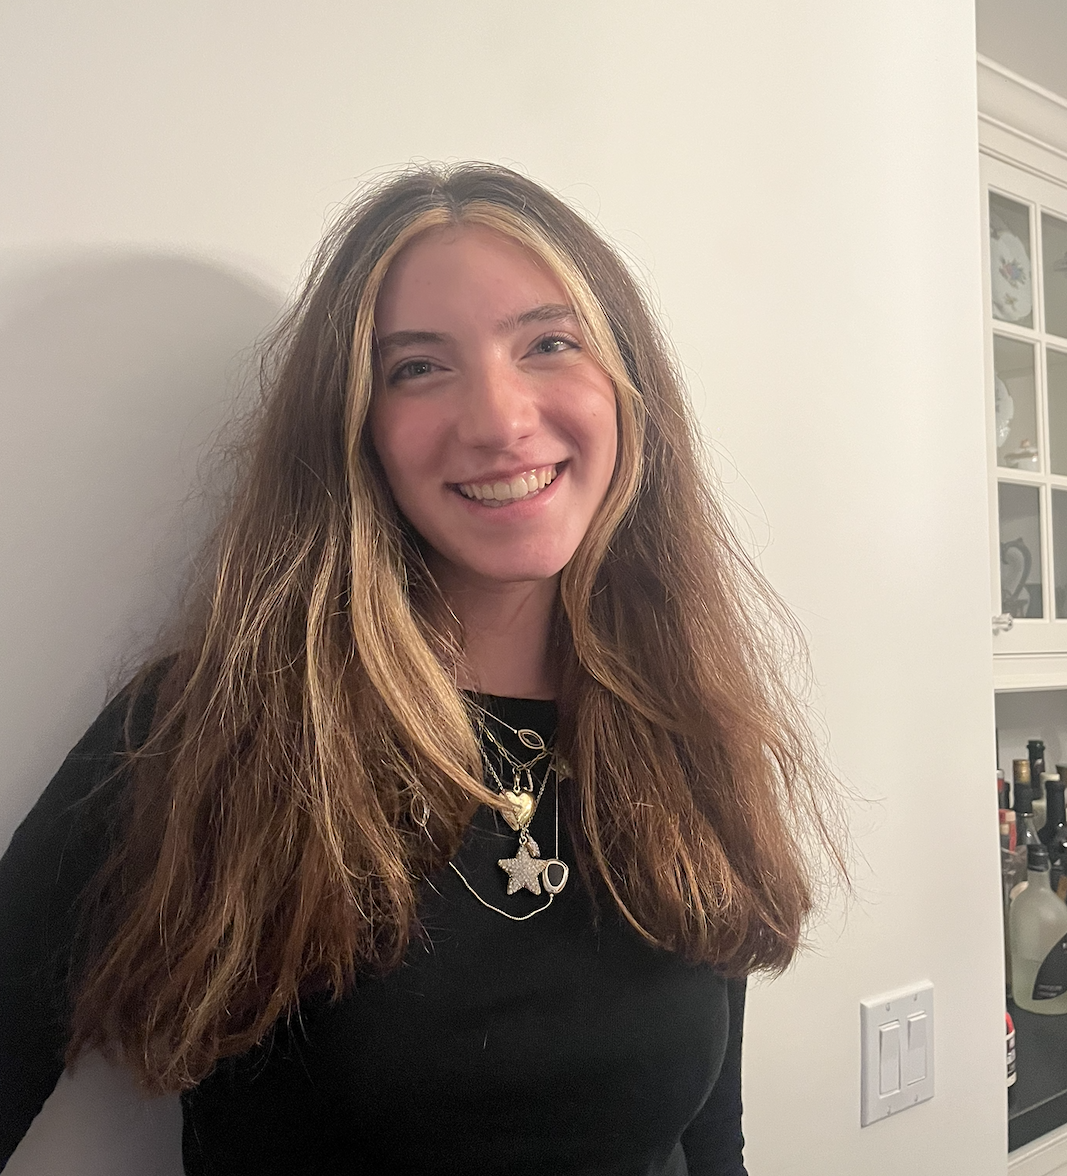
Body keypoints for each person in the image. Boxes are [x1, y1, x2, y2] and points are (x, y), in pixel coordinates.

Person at [0, 164, 840, 1175]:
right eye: (417, 367)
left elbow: (708, 1143)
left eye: (549, 342)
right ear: (353, 428)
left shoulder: (683, 729)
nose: (497, 418)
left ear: (628, 386)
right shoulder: (206, 729)